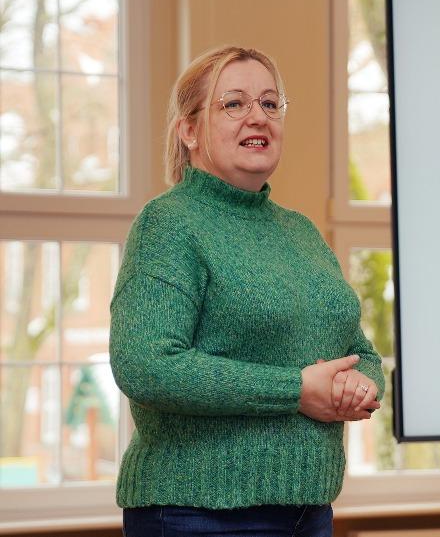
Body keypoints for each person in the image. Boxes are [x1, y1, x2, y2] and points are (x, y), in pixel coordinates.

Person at [109, 46, 384, 537]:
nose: (258, 116)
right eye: (233, 104)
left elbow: (357, 351)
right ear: (188, 130)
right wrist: (296, 391)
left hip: (309, 513)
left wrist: (361, 384)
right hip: (198, 516)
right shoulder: (169, 224)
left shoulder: (301, 232)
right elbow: (146, 364)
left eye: (270, 103)